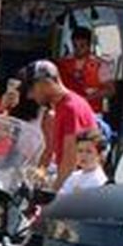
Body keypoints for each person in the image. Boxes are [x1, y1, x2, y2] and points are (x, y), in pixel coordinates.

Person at [23, 60, 98, 192]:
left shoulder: (71, 108)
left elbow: (70, 159)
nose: (30, 96)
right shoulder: (60, 107)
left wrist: (53, 191)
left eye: (31, 88)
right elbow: (51, 149)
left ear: (45, 83)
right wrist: (39, 174)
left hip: (80, 187)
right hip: (74, 182)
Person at [57, 26, 112, 114]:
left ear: (89, 45)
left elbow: (110, 90)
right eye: (75, 46)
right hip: (68, 111)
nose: (78, 50)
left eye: (82, 46)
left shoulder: (101, 65)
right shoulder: (63, 63)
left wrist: (87, 98)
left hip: (92, 112)